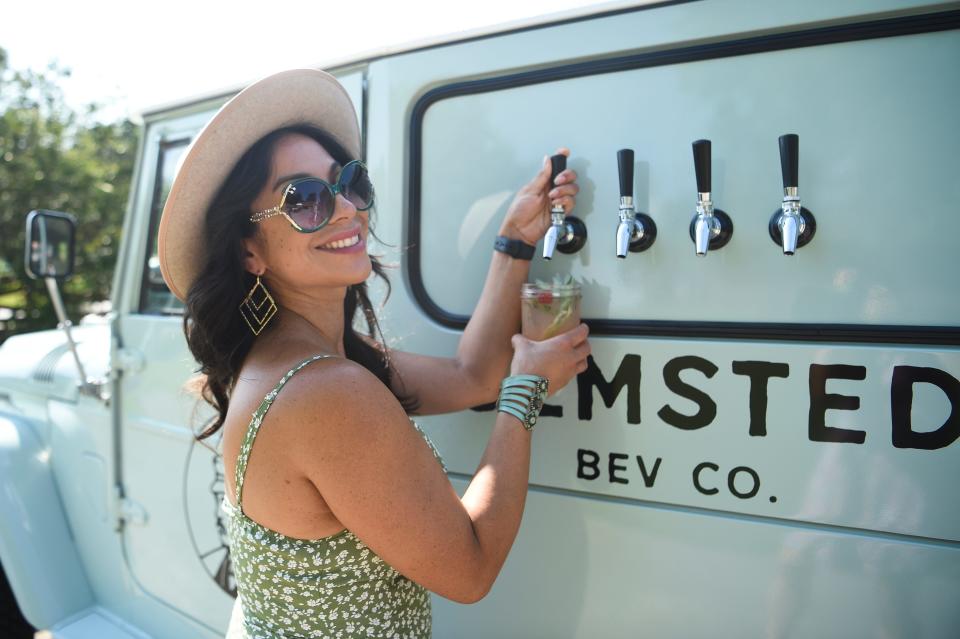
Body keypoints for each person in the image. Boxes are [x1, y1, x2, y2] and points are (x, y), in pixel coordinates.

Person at [157, 68, 591, 639]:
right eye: (304, 200)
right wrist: (528, 390)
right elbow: (471, 569)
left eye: (348, 182)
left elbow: (473, 374)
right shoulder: (324, 391)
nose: (345, 209)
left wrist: (513, 240)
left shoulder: (297, 361)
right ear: (248, 251)